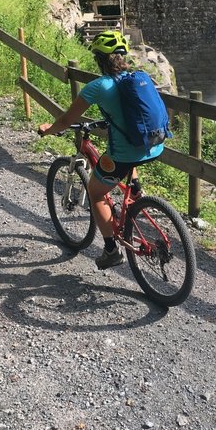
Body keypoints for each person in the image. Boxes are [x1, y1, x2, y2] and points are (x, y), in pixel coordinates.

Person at [38, 30, 164, 269]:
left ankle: (110, 250)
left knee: (95, 192)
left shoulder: (98, 86)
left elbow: (66, 121)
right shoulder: (139, 77)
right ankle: (135, 190)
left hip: (125, 153)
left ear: (99, 59)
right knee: (126, 164)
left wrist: (49, 129)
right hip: (154, 145)